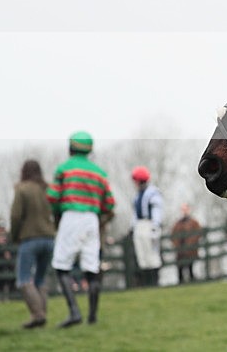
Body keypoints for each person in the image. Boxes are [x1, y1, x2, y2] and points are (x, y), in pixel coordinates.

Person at [48, 131, 115, 327]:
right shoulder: (99, 173)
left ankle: (74, 312)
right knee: (91, 267)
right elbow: (110, 203)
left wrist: (57, 213)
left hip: (70, 217)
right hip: (92, 220)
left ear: (70, 147)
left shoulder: (64, 169)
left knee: (61, 266)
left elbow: (52, 197)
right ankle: (92, 316)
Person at [10, 160, 56, 328]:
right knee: (40, 279)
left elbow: (15, 216)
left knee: (23, 279)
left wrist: (14, 236)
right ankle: (41, 316)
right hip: (49, 238)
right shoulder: (48, 189)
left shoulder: (22, 189)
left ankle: (38, 315)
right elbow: (57, 211)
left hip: (30, 238)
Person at [130, 166, 163, 287]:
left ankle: (154, 282)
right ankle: (145, 283)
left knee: (152, 254)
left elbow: (157, 210)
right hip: (139, 225)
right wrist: (132, 227)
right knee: (141, 253)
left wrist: (156, 225)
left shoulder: (152, 192)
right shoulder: (137, 195)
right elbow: (135, 214)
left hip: (149, 224)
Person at [170, 203, 202, 284]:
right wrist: (178, 246)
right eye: (183, 210)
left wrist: (190, 244)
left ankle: (192, 282)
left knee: (190, 268)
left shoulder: (194, 222)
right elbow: (173, 236)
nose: (184, 211)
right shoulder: (177, 224)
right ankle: (181, 283)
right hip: (180, 252)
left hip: (190, 251)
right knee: (180, 270)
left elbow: (198, 233)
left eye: (185, 209)